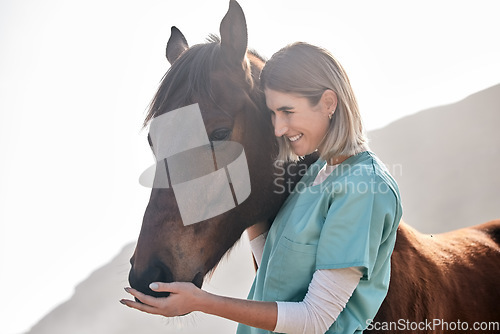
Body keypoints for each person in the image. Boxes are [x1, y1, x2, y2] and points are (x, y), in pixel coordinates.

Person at [121, 42, 403, 334]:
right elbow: (276, 271)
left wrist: (200, 302)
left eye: (288, 111)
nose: (278, 128)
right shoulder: (314, 180)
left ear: (329, 103)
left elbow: (316, 318)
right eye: (272, 114)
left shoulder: (363, 187)